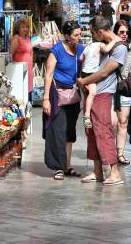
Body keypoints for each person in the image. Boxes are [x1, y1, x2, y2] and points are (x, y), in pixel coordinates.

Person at [77, 16, 128, 185]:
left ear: (99, 31)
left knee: (103, 131)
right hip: (92, 92)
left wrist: (84, 81)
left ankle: (114, 173)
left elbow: (104, 73)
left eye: (93, 32)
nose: (93, 35)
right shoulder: (102, 45)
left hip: (103, 93)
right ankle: (97, 171)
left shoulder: (120, 48)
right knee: (91, 131)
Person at [42, 21, 84, 180]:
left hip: (73, 94)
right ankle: (58, 167)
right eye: (75, 35)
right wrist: (46, 99)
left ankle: (67, 165)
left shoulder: (81, 49)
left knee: (69, 132)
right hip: (56, 95)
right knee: (58, 130)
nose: (79, 37)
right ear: (67, 36)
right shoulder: (57, 50)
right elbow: (48, 75)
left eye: (80, 34)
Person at [112, 20, 131, 165]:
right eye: (121, 32)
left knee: (123, 122)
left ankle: (120, 153)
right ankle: (110, 151)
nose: (124, 35)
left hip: (125, 90)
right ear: (115, 32)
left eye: (126, 32)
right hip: (110, 90)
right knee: (112, 123)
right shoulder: (110, 48)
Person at [80, 33, 119, 129]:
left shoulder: (88, 46)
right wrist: (114, 40)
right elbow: (106, 49)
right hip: (91, 73)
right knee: (92, 93)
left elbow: (81, 58)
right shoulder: (99, 45)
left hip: (84, 72)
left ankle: (87, 112)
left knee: (88, 93)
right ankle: (87, 115)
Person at [10, 18, 34, 100]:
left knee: (28, 89)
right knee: (22, 90)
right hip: (19, 69)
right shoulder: (16, 38)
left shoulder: (27, 38)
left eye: (26, 27)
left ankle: (28, 109)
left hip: (29, 68)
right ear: (18, 28)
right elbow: (10, 55)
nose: (25, 29)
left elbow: (31, 52)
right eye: (23, 27)